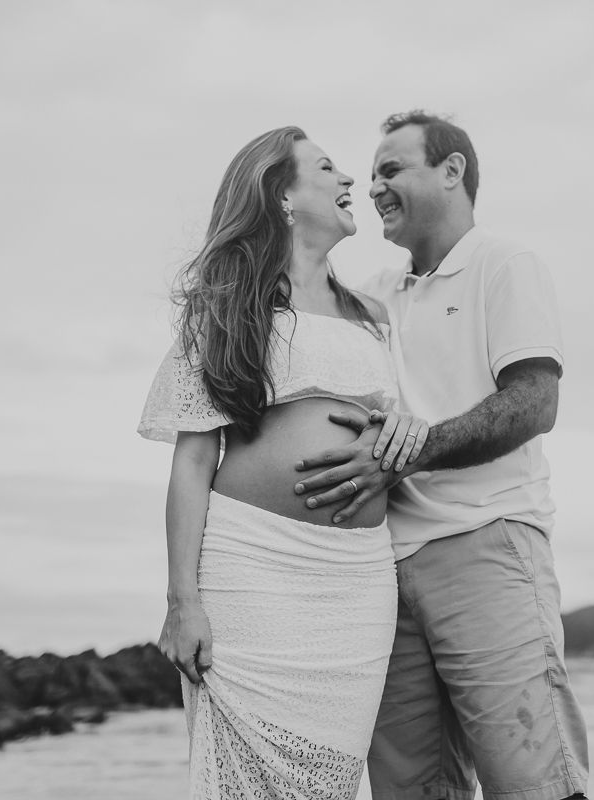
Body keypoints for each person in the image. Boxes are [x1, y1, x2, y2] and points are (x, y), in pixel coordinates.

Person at [293, 112, 590, 800]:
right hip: (382, 574)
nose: (373, 187)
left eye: (391, 169)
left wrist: (413, 449)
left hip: (486, 546)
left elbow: (534, 403)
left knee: (534, 782)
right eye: (371, 175)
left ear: (451, 171)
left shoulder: (503, 263)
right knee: (413, 791)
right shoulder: (370, 297)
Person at [138, 126, 429, 800]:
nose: (350, 180)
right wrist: (183, 602)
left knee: (329, 782)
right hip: (252, 570)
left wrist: (405, 430)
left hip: (356, 584)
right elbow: (192, 462)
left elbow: (400, 424)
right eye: (326, 168)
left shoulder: (372, 316)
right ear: (283, 197)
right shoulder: (228, 307)